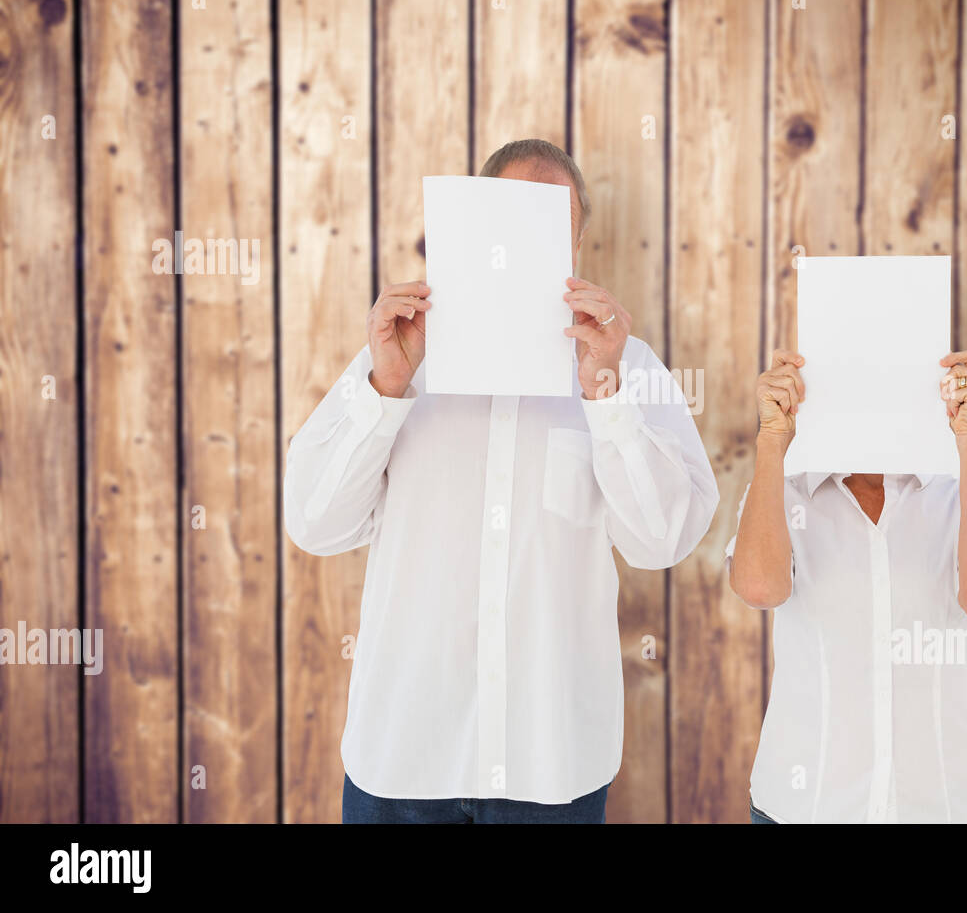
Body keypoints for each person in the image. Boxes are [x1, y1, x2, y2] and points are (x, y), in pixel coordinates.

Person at [284, 139, 718, 823]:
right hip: (402, 761)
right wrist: (385, 389)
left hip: (551, 768)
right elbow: (315, 523)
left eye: (551, 226)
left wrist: (607, 396)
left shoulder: (627, 366)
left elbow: (661, 540)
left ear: (575, 247)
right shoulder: (399, 358)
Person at [726, 348, 967, 823]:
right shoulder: (786, 492)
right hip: (805, 808)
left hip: (939, 809)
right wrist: (771, 441)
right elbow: (760, 587)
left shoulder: (961, 492)